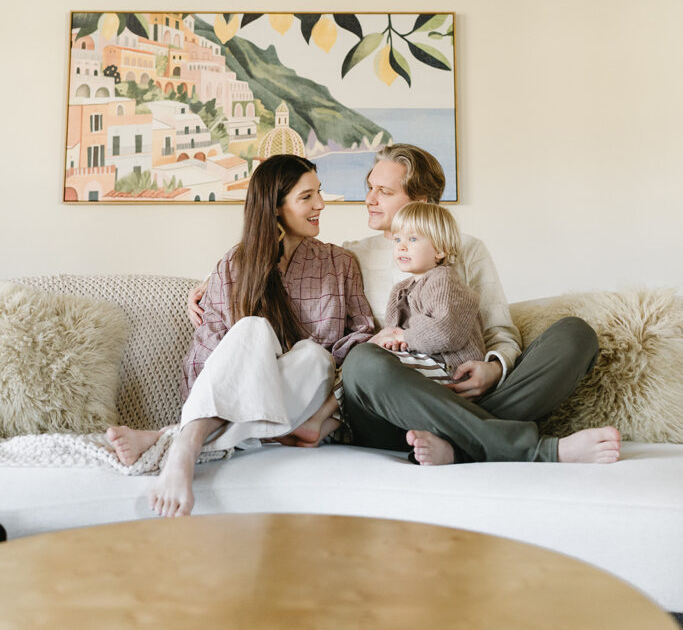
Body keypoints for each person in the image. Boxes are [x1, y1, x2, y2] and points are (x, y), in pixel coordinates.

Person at [188, 144, 619, 466]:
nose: (369, 200)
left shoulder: (465, 249)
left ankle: (458, 445)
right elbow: (274, 263)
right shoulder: (350, 254)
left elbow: (501, 331)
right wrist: (211, 281)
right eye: (369, 188)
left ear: (422, 202)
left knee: (574, 334)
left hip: (462, 387)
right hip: (393, 406)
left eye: (383, 191)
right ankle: (530, 449)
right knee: (364, 363)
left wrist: (494, 367)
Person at [107, 155, 374, 517]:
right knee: (252, 328)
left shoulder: (339, 263)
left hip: (305, 397)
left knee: (314, 356)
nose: (320, 204)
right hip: (255, 409)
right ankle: (185, 447)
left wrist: (330, 408)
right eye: (307, 197)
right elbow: (209, 351)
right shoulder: (235, 265)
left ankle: (172, 439)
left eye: (319, 193)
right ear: (276, 208)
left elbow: (360, 340)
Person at [369, 201, 485, 387]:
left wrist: (403, 337)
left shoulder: (443, 278)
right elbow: (393, 333)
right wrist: (388, 339)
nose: (401, 247)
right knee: (366, 357)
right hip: (421, 360)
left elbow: (445, 334)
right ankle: (329, 412)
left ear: (440, 250)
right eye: (397, 240)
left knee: (372, 365)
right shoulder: (400, 289)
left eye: (412, 239)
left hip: (449, 367)